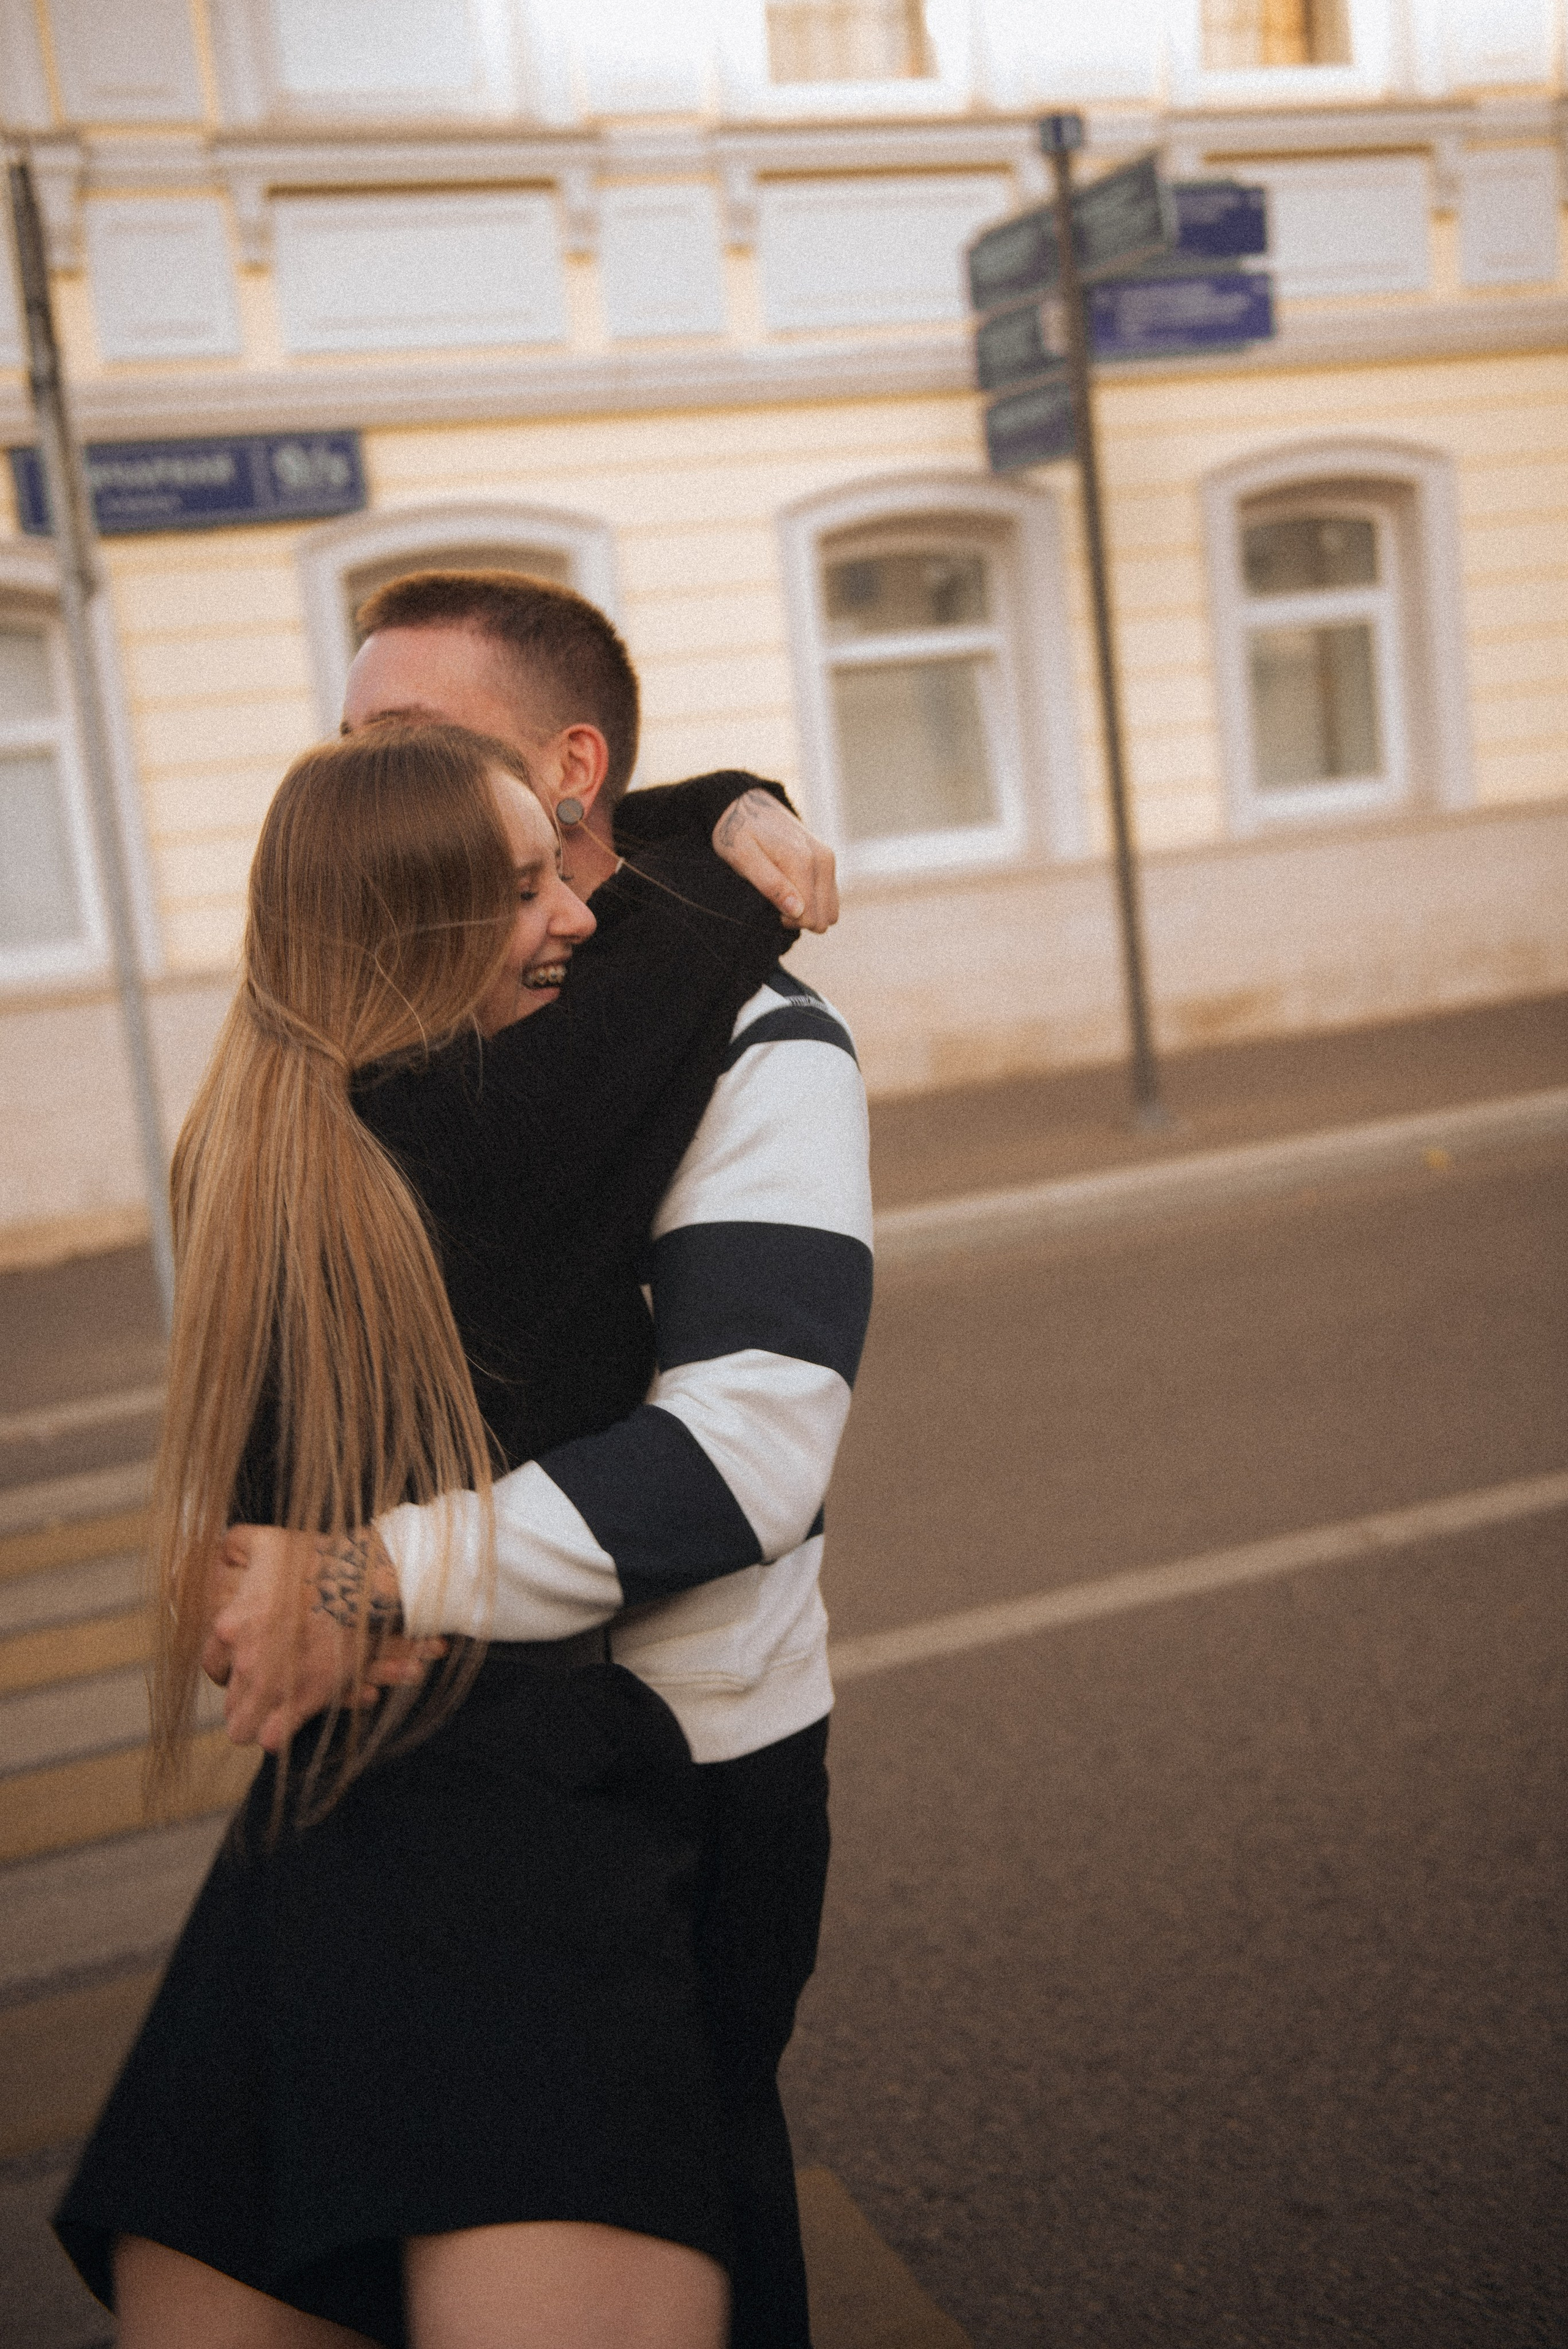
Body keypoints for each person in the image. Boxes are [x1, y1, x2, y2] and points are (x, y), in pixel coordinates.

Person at [55, 720, 805, 2348]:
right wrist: (741, 803)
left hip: (314, 1834)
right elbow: (708, 912)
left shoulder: (255, 1139)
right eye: (525, 890)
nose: (576, 920)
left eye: (559, 867)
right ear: (414, 932)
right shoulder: (506, 1111)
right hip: (520, 1827)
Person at [214, 571, 876, 2349]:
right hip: (433, 1758)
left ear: (567, 778)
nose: (372, 785)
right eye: (354, 755)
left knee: (688, 2195)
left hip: (678, 1754)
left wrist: (353, 1572)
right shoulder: (370, 1080)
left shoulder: (742, 1036)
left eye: (411, 746)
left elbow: (740, 1459)